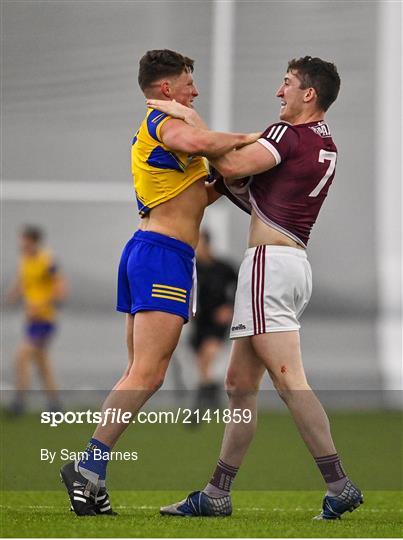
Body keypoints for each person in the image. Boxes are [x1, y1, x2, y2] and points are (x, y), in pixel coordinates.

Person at [148, 56, 364, 521]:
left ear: (309, 94)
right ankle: (216, 494)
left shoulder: (288, 133)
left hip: (270, 266)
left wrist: (192, 123)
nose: (278, 91)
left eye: (285, 83)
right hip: (289, 264)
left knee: (290, 383)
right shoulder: (324, 142)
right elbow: (256, 190)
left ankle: (340, 484)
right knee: (239, 385)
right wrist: (235, 173)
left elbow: (232, 166)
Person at [60, 49, 259, 516]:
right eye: (189, 82)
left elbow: (197, 192)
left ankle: (93, 474)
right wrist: (260, 139)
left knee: (138, 373)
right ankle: (87, 466)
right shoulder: (163, 122)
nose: (195, 90)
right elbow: (198, 142)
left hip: (151, 252)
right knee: (148, 374)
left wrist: (229, 182)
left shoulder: (168, 130)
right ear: (167, 88)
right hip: (161, 257)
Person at [6, 225, 67, 414]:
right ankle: (55, 404)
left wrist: (41, 305)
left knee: (21, 357)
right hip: (31, 320)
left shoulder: (47, 260)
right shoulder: (25, 259)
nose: (21, 244)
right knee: (42, 363)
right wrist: (10, 298)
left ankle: (19, 402)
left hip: (44, 320)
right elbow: (23, 283)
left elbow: (61, 289)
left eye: (25, 240)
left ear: (34, 241)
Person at [190, 230, 237, 414]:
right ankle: (210, 394)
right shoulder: (193, 268)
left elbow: (242, 288)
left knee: (209, 354)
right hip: (200, 321)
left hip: (217, 320)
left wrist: (230, 307)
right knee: (202, 362)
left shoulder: (223, 268)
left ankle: (201, 403)